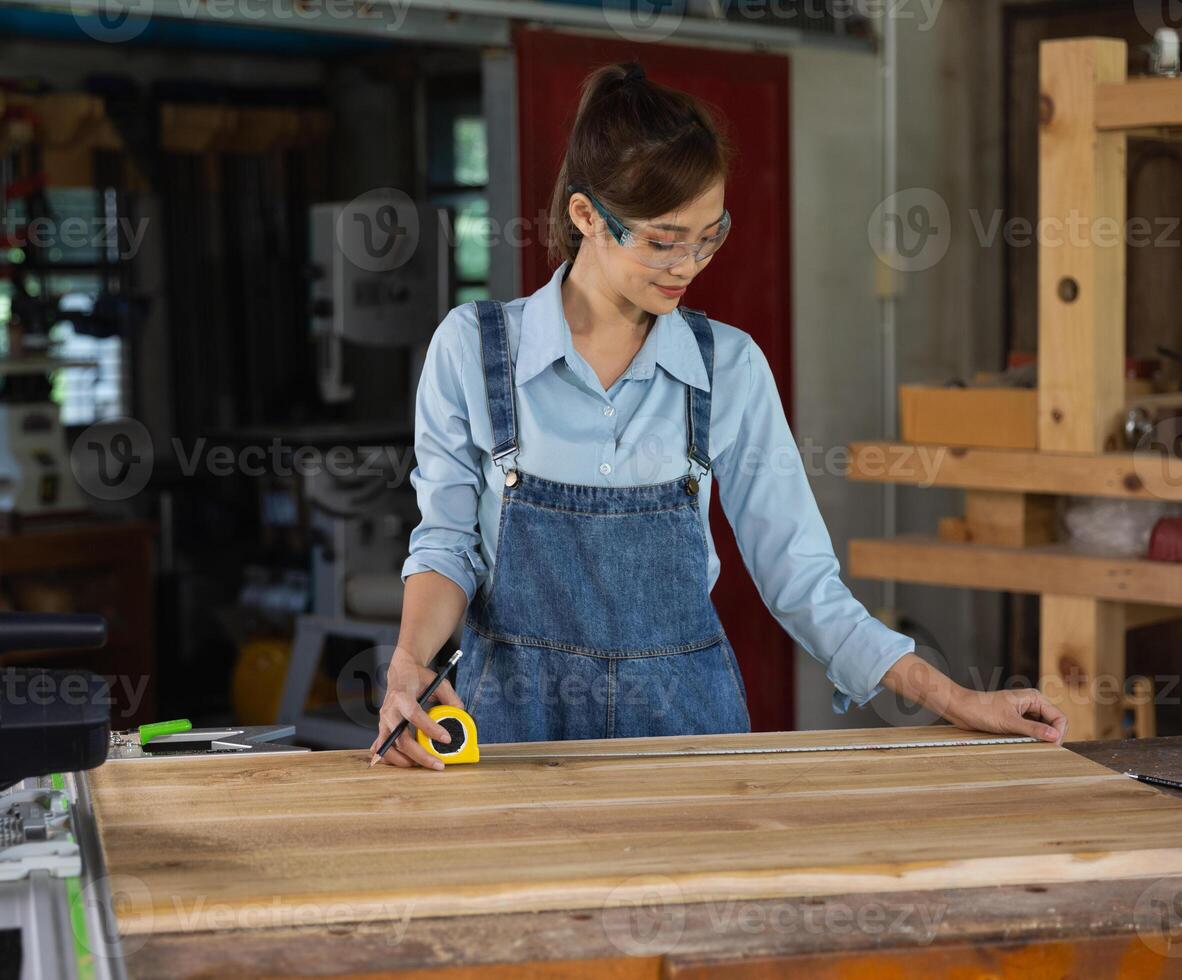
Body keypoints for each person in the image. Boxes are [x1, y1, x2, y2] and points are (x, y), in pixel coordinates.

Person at [371, 61, 1067, 770]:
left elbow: (800, 579)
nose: (690, 264)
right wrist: (407, 666)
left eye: (710, 235)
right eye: (664, 240)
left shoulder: (727, 368)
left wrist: (956, 698)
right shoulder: (476, 349)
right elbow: (448, 544)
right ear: (585, 216)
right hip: (516, 736)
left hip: (690, 741)